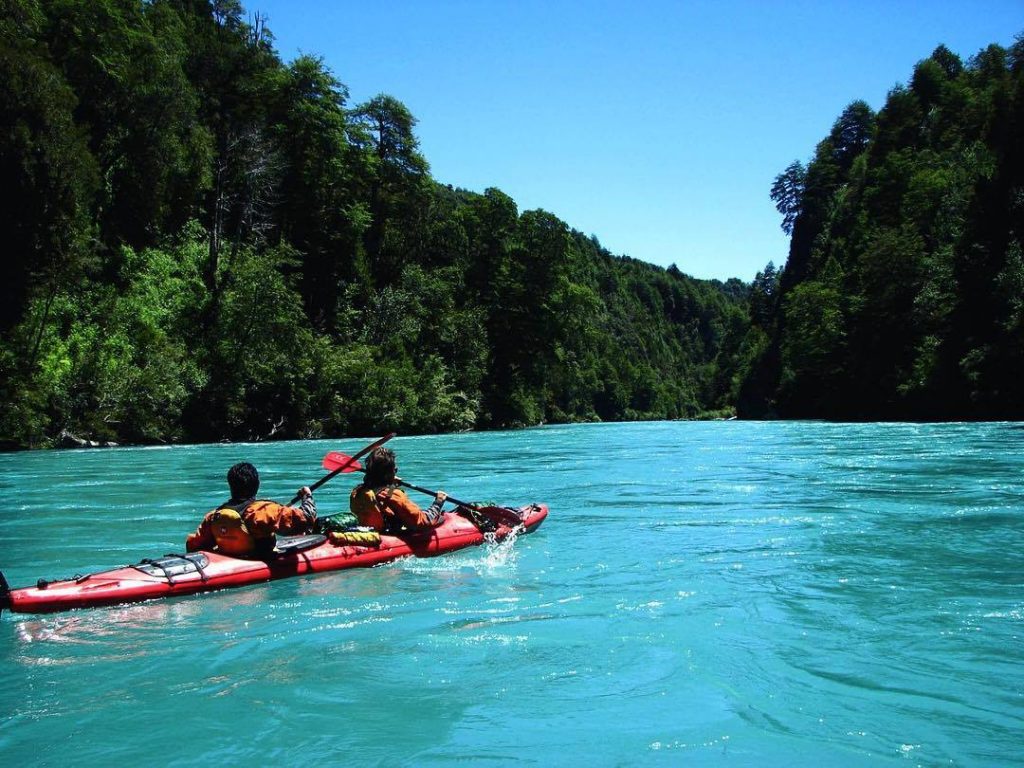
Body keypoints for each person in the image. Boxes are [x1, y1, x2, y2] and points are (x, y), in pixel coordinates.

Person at [186, 462, 318, 557]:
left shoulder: (214, 516)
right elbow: (307, 518)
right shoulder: (262, 511)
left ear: (230, 486)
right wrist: (307, 496)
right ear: (257, 485)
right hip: (257, 561)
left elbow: (193, 545)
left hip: (230, 560)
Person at [350, 447, 446, 534]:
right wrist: (438, 503)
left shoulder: (358, 491)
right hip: (389, 535)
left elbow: (384, 500)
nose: (395, 472)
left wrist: (392, 484)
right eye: (394, 470)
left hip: (372, 530)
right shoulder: (395, 496)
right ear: (389, 473)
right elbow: (421, 522)